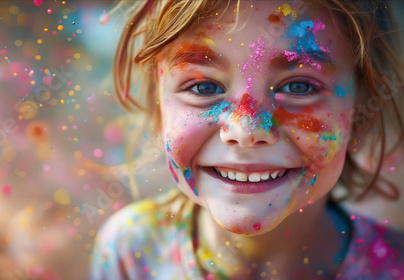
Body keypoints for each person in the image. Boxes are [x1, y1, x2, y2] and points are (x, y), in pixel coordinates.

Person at [91, 0, 404, 279]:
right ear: (160, 112)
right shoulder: (131, 250)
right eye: (203, 88)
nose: (247, 130)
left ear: (360, 110)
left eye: (299, 87)